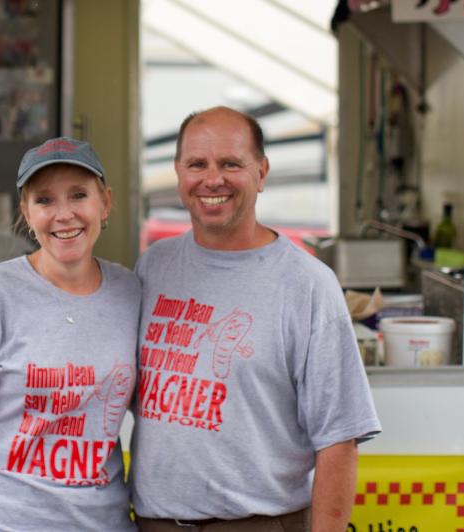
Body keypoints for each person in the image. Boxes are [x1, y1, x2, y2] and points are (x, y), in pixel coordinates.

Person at [130, 107, 380, 532]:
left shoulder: (307, 284)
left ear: (261, 172)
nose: (213, 180)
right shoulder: (153, 267)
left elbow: (339, 440)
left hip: (258, 524)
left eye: (231, 163)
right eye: (197, 164)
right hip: (154, 523)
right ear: (178, 173)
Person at [0, 137, 141, 532]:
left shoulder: (131, 292)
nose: (64, 214)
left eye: (78, 195)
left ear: (106, 202)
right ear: (26, 214)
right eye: (45, 200)